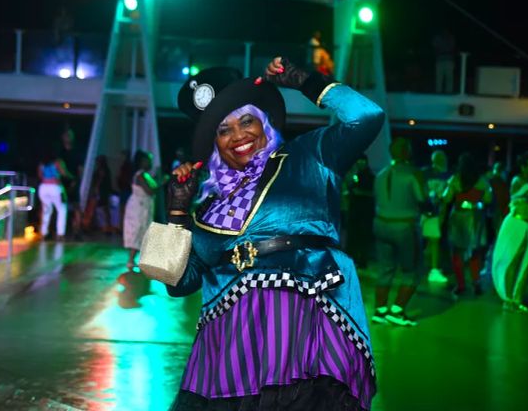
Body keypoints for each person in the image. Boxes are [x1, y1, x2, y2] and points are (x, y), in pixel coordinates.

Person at [165, 58, 384, 410]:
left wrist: (308, 82)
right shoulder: (207, 211)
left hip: (309, 335)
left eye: (246, 120)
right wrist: (176, 212)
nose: (238, 135)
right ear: (215, 143)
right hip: (233, 360)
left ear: (263, 121)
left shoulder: (310, 156)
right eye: (224, 129)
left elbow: (367, 116)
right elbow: (178, 283)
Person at [371, 138, 426, 326]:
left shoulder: (381, 174)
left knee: (385, 269)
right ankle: (398, 310)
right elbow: (423, 199)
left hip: (380, 225)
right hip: (404, 227)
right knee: (412, 271)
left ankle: (380, 311)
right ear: (407, 152)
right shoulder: (413, 173)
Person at [492, 152, 528, 311]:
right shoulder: (517, 180)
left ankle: (516, 297)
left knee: (525, 263)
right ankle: (508, 298)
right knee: (512, 260)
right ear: (523, 166)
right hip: (517, 224)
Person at [442, 153, 492, 297]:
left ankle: (461, 284)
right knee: (475, 253)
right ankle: (476, 283)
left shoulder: (455, 179)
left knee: (457, 253)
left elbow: (446, 198)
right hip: (476, 218)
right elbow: (488, 199)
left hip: (458, 218)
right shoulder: (482, 181)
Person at [123, 150, 157, 269]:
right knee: (138, 231)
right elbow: (149, 190)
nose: (150, 162)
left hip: (142, 206)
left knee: (142, 231)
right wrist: (162, 182)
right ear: (142, 162)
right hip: (139, 207)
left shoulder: (144, 175)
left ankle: (134, 259)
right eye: (148, 160)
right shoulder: (140, 175)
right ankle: (131, 260)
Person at [422, 150, 450, 283]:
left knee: (433, 241)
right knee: (431, 241)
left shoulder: (446, 175)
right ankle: (432, 269)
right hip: (427, 212)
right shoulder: (425, 173)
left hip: (432, 213)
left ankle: (431, 269)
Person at [344, 155, 375, 269]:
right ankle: (354, 259)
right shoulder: (354, 174)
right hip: (355, 211)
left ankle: (362, 260)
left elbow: (372, 193)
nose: (360, 163)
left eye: (362, 161)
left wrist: (358, 192)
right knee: (353, 236)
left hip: (364, 211)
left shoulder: (370, 176)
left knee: (362, 236)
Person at [37, 150, 72, 241]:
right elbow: (64, 173)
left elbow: (40, 175)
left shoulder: (42, 163)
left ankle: (44, 233)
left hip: (43, 188)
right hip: (55, 187)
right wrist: (71, 176)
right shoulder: (58, 162)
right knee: (62, 209)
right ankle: (60, 234)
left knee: (47, 210)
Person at [59, 128, 84, 240]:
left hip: (74, 181)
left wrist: (77, 180)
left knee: (76, 208)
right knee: (60, 208)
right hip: (61, 183)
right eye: (67, 135)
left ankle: (76, 231)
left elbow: (80, 169)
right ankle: (58, 231)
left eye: (70, 135)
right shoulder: (60, 152)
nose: (68, 138)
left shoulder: (77, 152)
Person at [432, 27, 456, 93]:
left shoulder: (451, 37)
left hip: (449, 60)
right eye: (443, 30)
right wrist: (443, 52)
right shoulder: (437, 38)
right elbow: (435, 49)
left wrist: (443, 51)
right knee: (439, 78)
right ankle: (438, 92)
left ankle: (449, 93)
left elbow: (453, 49)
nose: (445, 31)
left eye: (446, 30)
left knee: (449, 78)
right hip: (439, 61)